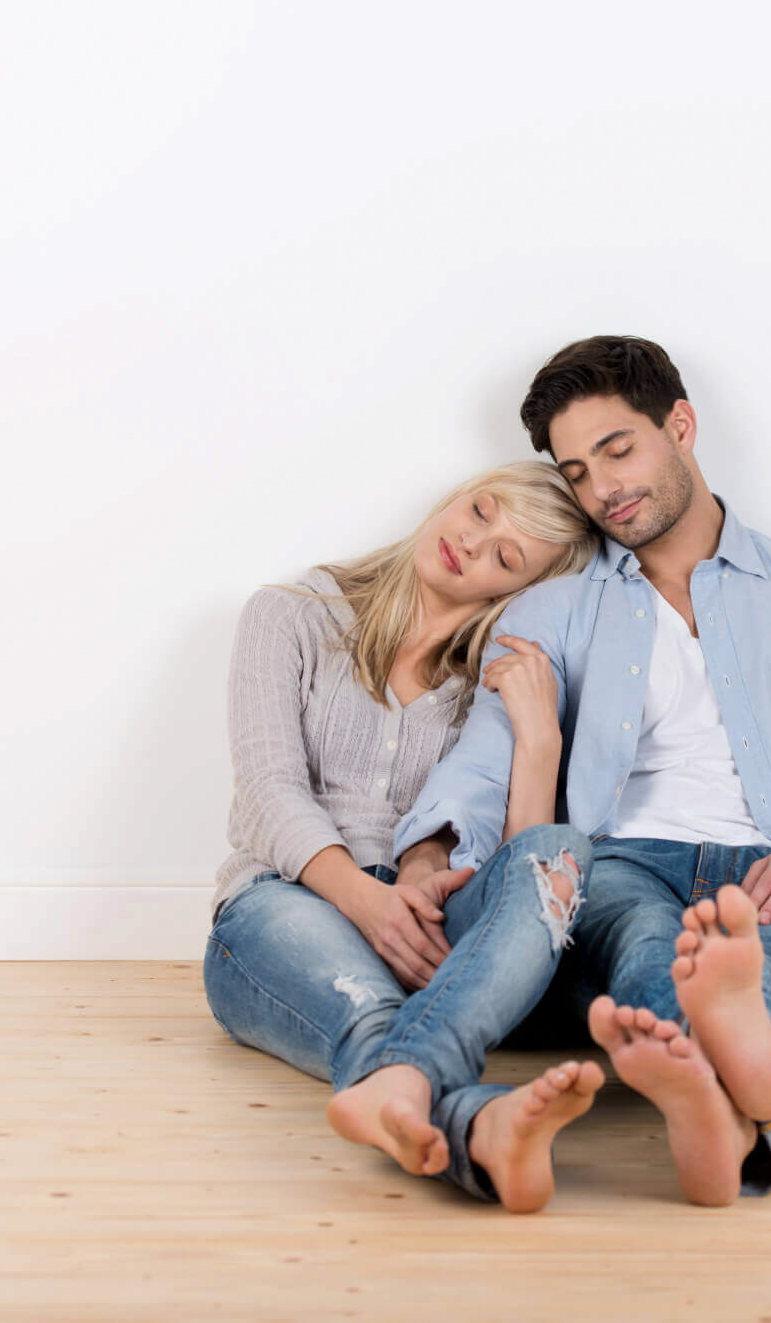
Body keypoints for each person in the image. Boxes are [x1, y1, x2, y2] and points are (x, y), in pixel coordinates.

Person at [393, 335, 771, 1205]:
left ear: (680, 425)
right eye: (575, 472)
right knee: (652, 945)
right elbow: (483, 761)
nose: (602, 489)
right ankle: (737, 1126)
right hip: (622, 862)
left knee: (769, 966)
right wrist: (425, 859)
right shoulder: (551, 607)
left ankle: (718, 1114)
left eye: (617, 450)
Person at [204, 461, 610, 1211]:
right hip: (283, 901)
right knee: (371, 1014)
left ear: (515, 593)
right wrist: (369, 902)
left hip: (429, 920)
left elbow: (523, 866)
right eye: (483, 510)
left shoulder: (491, 678)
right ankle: (478, 1121)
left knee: (563, 854)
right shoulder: (291, 614)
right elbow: (267, 795)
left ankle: (460, 1120)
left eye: (506, 558)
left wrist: (539, 736)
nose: (472, 541)